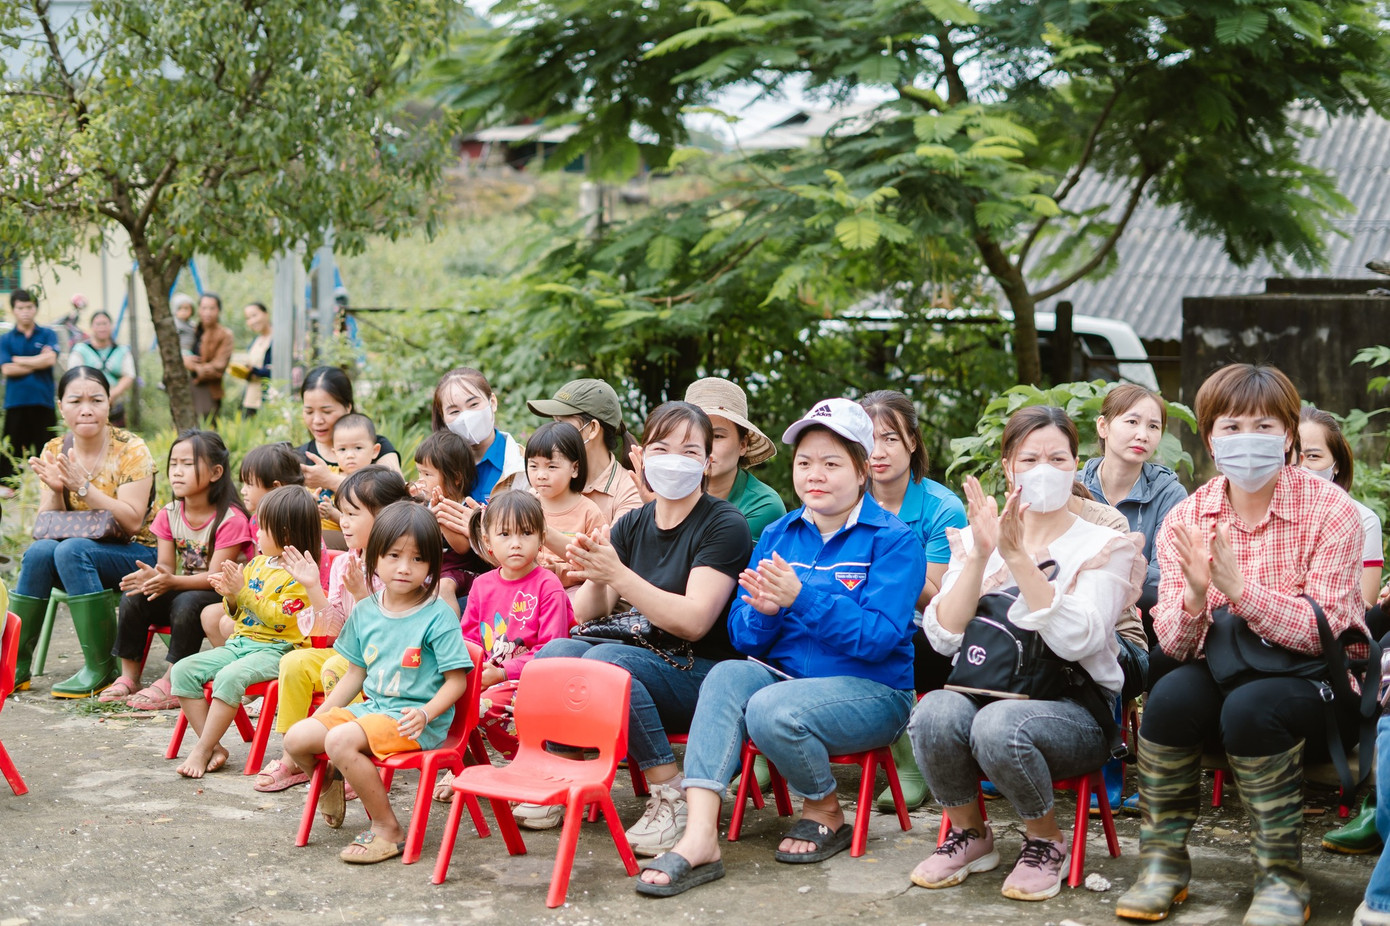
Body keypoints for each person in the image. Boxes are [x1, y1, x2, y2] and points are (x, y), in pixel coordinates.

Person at [635, 398, 924, 896]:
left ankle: (824, 807)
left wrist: (802, 599)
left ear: (861, 472)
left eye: (832, 463)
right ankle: (701, 835)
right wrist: (766, 615)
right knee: (726, 674)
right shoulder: (779, 534)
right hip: (788, 681)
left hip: (874, 691)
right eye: (805, 462)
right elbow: (744, 637)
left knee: (770, 707)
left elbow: (880, 639)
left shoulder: (895, 541)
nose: (816, 475)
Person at [1114, 364, 1367, 926]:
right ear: (1209, 437)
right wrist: (1199, 597)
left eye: (1262, 426)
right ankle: (1163, 865)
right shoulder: (1189, 515)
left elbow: (1325, 631)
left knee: (1252, 707)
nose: (1246, 439)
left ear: (1287, 436)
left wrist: (1241, 591)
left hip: (1316, 684)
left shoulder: (1331, 512)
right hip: (1225, 668)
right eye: (1230, 427)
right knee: (1173, 695)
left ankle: (1280, 879)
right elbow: (1176, 647)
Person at [908, 406, 1140, 903]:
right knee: (933, 711)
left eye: (1058, 458)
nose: (1043, 470)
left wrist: (1018, 558)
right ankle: (971, 835)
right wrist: (982, 554)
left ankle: (1045, 840)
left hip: (1076, 713)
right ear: (1008, 467)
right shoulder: (977, 539)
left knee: (999, 725)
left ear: (1077, 465)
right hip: (985, 693)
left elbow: (1081, 639)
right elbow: (944, 637)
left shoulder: (1104, 544)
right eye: (1029, 458)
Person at [529, 401, 753, 852]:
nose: (673, 459)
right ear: (643, 456)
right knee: (553, 656)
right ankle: (563, 772)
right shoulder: (632, 523)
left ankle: (671, 789)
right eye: (661, 448)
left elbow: (694, 621)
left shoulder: (724, 524)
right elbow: (587, 614)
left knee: (608, 662)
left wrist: (620, 575)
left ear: (707, 462)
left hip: (700, 673)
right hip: (641, 660)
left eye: (689, 451)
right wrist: (594, 568)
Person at [282, 501, 473, 865]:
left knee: (339, 740)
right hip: (373, 710)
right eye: (394, 555)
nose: (404, 568)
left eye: (418, 559)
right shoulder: (368, 609)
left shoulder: (438, 616)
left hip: (413, 721)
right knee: (296, 738)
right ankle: (328, 784)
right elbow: (355, 672)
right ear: (375, 557)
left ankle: (388, 829)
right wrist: (322, 713)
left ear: (432, 564)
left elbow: (456, 682)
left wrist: (426, 713)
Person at [253, 467, 412, 793]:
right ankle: (294, 754)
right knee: (294, 663)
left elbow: (397, 629)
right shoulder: (344, 562)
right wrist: (312, 586)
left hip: (386, 663)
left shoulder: (403, 564)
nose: (343, 521)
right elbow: (334, 628)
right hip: (349, 654)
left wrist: (362, 595)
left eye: (353, 513)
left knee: (334, 665)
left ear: (385, 517)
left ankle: (353, 758)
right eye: (343, 511)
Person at [10, 367, 158, 697]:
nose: (86, 408)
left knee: (70, 549)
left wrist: (83, 487)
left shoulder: (131, 449)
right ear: (61, 406)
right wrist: (56, 489)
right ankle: (13, 667)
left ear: (109, 404)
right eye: (75, 400)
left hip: (138, 554)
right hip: (79, 557)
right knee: (39, 552)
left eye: (96, 399)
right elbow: (48, 527)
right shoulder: (54, 449)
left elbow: (133, 522)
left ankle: (102, 666)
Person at [859, 389, 968, 811]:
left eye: (890, 438)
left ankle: (910, 763)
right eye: (868, 440)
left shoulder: (942, 507)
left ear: (912, 443)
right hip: (859, 615)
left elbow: (937, 603)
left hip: (923, 629)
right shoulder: (844, 495)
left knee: (894, 639)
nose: (878, 451)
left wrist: (893, 545)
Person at [431, 489, 574, 801]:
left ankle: (522, 766)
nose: (516, 543)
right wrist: (463, 671)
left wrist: (501, 672)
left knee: (481, 705)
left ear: (542, 536)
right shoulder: (483, 585)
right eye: (505, 534)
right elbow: (469, 640)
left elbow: (554, 652)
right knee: (439, 698)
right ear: (487, 540)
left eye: (526, 533)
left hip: (534, 684)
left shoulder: (548, 585)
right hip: (490, 678)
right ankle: (463, 766)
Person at [170, 485, 320, 778]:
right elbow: (236, 614)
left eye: (263, 527)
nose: (257, 533)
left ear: (286, 534)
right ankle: (213, 747)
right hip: (241, 644)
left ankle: (201, 749)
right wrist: (231, 595)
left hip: (278, 651)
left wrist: (244, 593)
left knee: (229, 677)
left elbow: (281, 622)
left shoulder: (302, 574)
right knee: (182, 671)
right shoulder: (257, 564)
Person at [105, 430, 253, 708]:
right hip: (185, 584)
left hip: (225, 595)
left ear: (216, 472)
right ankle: (129, 676)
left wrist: (171, 581)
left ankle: (173, 680)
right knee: (136, 595)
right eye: (174, 464)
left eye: (188, 464)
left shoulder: (231, 518)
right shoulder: (169, 513)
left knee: (188, 602)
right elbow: (165, 565)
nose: (177, 472)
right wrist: (153, 576)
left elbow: (216, 577)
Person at [1301, 406, 1385, 856]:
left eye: (1313, 457)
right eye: (1292, 455)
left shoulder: (1360, 518)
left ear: (1337, 464)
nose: (1301, 467)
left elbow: (1365, 606)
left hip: (1339, 635)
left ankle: (1377, 798)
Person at [1079, 384, 1188, 646]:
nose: (1142, 435)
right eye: (1132, 421)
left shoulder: (1169, 493)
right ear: (1103, 426)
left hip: (1144, 607)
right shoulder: (1075, 488)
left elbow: (1168, 576)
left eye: (1153, 427)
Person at [298, 366, 402, 549]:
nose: (317, 420)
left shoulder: (375, 447)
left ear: (348, 407)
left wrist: (329, 480)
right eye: (309, 412)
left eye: (326, 411)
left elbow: (396, 498)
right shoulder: (301, 455)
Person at [682, 377, 785, 542]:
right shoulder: (667, 490)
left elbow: (712, 559)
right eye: (695, 435)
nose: (704, 446)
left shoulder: (763, 505)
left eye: (717, 436)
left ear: (743, 445)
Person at [527, 377, 642, 524]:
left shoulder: (629, 490)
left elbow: (607, 547)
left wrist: (539, 528)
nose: (554, 431)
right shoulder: (545, 480)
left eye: (562, 423)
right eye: (555, 422)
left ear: (592, 429)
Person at [525, 421, 606, 589]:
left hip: (571, 590)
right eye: (533, 466)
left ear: (575, 468)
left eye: (551, 466)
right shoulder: (526, 505)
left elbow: (598, 565)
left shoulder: (589, 512)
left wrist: (558, 570)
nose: (541, 475)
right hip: (527, 587)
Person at [412, 430, 484, 613]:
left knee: (443, 588)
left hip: (459, 570)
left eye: (427, 475)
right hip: (433, 568)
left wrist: (442, 521)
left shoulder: (465, 508)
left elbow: (462, 548)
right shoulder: (426, 504)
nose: (421, 480)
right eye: (419, 473)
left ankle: (451, 634)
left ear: (456, 478)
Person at [431, 366, 524, 500]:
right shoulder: (436, 466)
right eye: (454, 412)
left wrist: (476, 521)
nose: (466, 417)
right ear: (443, 417)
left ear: (492, 402)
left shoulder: (523, 465)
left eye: (473, 404)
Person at [0, 289, 60, 489]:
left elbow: (51, 359)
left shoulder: (47, 334)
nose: (25, 311)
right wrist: (38, 360)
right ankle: (9, 489)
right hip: (16, 402)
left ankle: (50, 488)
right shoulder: (6, 339)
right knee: (12, 449)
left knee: (49, 449)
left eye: (29, 307)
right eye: (20, 307)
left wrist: (20, 360)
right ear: (14, 310)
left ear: (35, 309)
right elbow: (7, 369)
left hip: (43, 402)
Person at [69, 311, 135, 428]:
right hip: (88, 405)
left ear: (111, 326)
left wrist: (111, 395)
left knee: (117, 441)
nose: (102, 328)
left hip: (115, 405)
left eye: (105, 324)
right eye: (98, 324)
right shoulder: (80, 350)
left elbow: (129, 375)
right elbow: (74, 376)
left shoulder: (122, 350)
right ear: (91, 327)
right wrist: (96, 397)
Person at [317, 413, 382, 528]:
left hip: (345, 539)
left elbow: (363, 525)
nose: (350, 455)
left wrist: (332, 513)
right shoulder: (328, 473)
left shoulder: (373, 481)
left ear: (375, 451)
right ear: (334, 454)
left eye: (358, 448)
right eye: (342, 449)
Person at [184, 292, 234, 423]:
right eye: (204, 308)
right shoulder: (191, 329)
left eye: (212, 308)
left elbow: (219, 366)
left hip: (208, 389)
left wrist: (193, 366)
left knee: (205, 428)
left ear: (219, 310)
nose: (208, 312)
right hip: (185, 385)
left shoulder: (225, 335)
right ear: (198, 309)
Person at [237, 301, 274, 417]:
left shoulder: (277, 339)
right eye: (248, 318)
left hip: (269, 397)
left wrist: (254, 371)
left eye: (254, 315)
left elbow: (276, 370)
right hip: (251, 397)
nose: (252, 321)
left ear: (266, 314)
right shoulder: (255, 342)